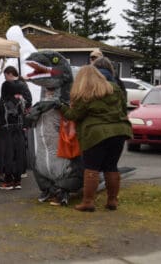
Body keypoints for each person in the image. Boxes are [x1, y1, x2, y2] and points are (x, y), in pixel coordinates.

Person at [58, 65, 132, 212]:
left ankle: (88, 202)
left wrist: (61, 106)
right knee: (111, 167)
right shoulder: (114, 88)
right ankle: (112, 201)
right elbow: (123, 110)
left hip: (96, 134)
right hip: (119, 131)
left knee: (91, 168)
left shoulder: (85, 93)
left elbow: (74, 115)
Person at [0, 81, 27, 190]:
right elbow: (23, 117)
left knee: (7, 156)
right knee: (18, 156)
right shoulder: (20, 102)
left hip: (6, 133)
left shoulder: (0, 104)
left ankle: (8, 181)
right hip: (19, 132)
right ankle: (17, 181)